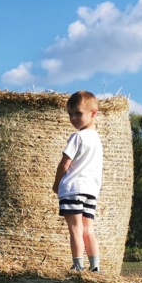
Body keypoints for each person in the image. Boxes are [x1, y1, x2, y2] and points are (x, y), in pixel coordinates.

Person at [52, 91, 103, 272]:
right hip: (91, 191)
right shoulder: (97, 139)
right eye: (70, 114)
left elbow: (64, 164)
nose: (73, 118)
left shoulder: (77, 137)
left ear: (93, 113)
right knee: (88, 230)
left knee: (75, 228)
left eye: (78, 113)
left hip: (73, 188)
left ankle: (78, 266)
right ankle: (95, 267)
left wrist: (56, 184)